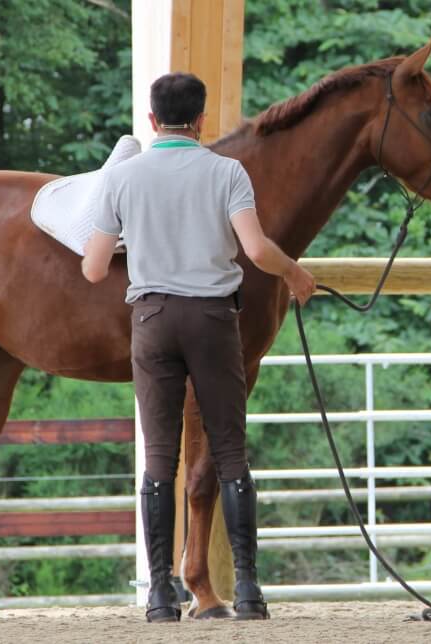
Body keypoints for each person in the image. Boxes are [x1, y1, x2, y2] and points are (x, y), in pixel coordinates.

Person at [81, 72, 316, 623]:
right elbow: (256, 250)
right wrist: (296, 274)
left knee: (160, 457)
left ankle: (160, 594)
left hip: (154, 319)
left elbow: (93, 269)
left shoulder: (125, 177)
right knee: (230, 453)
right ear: (202, 120)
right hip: (213, 320)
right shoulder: (227, 171)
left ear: (152, 120)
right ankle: (251, 590)